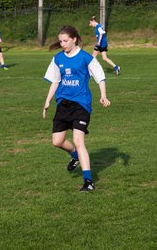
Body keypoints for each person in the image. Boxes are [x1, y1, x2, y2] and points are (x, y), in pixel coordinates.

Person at [43, 25, 111, 192]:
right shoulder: (58, 58)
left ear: (74, 39)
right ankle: (75, 156)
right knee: (57, 142)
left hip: (81, 104)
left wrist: (103, 95)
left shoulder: (85, 58)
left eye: (65, 41)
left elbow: (100, 76)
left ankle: (88, 181)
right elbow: (55, 81)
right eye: (60, 41)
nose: (63, 44)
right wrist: (47, 101)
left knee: (79, 141)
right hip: (63, 104)